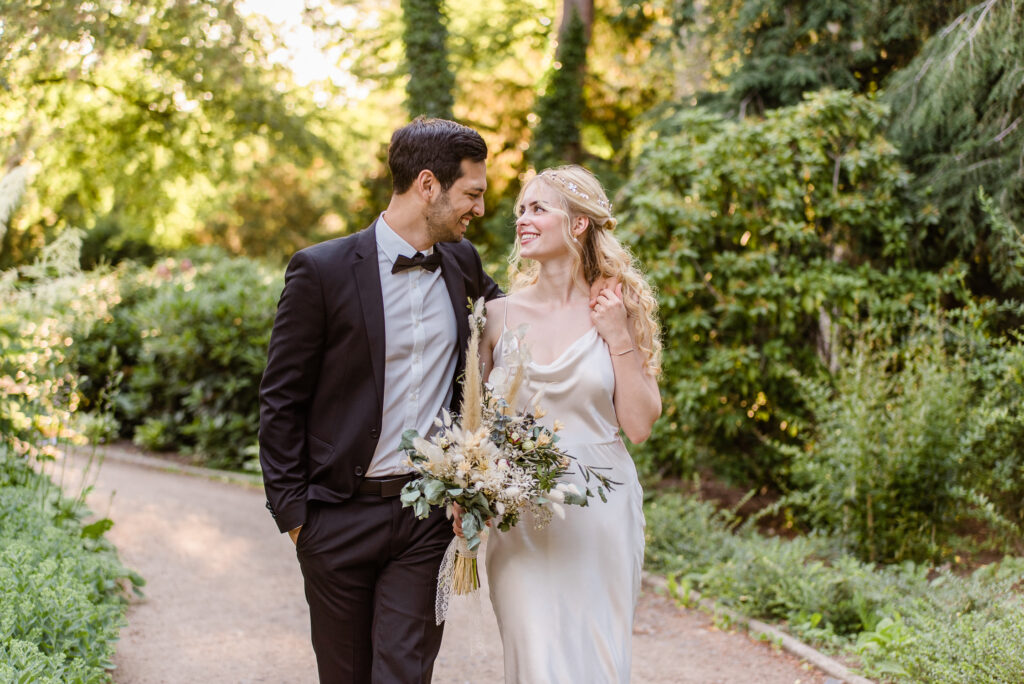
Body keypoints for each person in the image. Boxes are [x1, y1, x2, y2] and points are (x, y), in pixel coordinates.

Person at [258, 116, 503, 684]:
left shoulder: (463, 263)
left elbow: (524, 316)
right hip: (336, 517)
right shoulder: (321, 270)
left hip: (424, 518)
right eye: (472, 194)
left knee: (405, 674)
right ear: (428, 185)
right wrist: (296, 518)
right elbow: (281, 398)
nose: (479, 209)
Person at [468, 164, 662, 682]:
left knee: (597, 664)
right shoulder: (496, 317)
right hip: (521, 516)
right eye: (520, 210)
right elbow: (475, 425)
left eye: (538, 208)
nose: (522, 220)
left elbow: (639, 425)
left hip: (602, 509)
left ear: (578, 223)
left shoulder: (617, 305)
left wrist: (617, 333)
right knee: (535, 660)